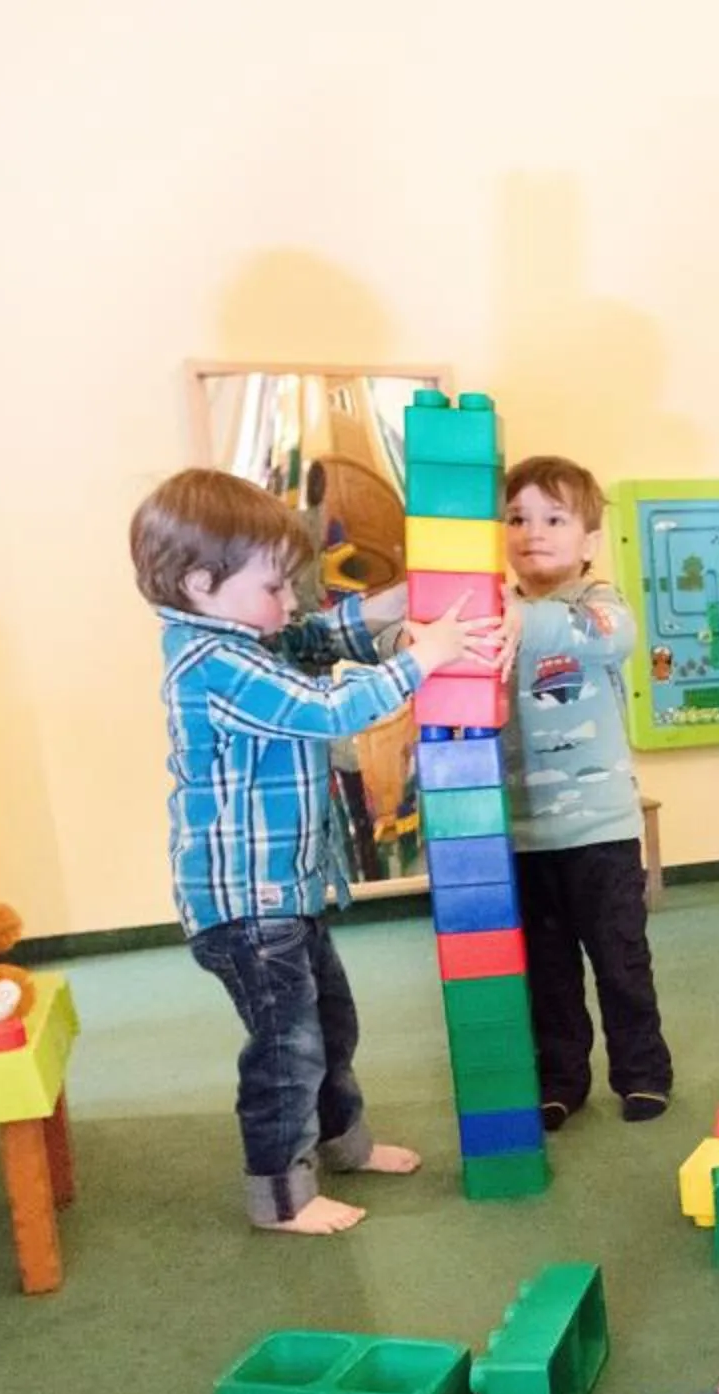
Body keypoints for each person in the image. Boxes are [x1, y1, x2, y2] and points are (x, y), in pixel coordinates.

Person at [132, 467, 501, 1235]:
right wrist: (422, 657)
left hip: (285, 895)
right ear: (200, 584)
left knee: (329, 1026)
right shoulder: (214, 665)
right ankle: (281, 1195)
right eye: (274, 586)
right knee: (285, 1046)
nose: (290, 601)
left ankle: (342, 1143)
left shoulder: (251, 640)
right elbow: (329, 707)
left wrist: (403, 603)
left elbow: (314, 636)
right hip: (244, 908)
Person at [496, 455, 671, 1128]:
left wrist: (519, 620)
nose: (532, 531)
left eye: (553, 517)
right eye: (517, 517)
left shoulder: (599, 605)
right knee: (547, 972)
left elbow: (610, 639)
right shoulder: (498, 612)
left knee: (620, 958)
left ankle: (642, 1072)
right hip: (523, 831)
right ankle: (561, 1078)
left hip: (600, 828)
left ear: (589, 541)